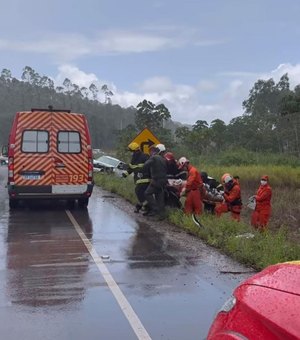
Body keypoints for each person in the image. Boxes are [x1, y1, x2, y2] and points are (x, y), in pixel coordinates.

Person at [142, 143, 168, 220]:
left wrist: (144, 170)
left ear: (157, 150)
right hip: (163, 181)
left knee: (147, 193)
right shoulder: (163, 159)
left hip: (156, 180)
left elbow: (146, 165)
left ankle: (155, 209)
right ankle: (161, 214)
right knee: (159, 196)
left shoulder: (154, 157)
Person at [123, 142, 150, 213]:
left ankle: (148, 207)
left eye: (131, 151)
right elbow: (131, 168)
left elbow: (150, 166)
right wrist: (125, 174)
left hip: (144, 179)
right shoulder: (135, 158)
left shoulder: (144, 156)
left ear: (135, 150)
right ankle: (140, 207)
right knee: (141, 194)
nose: (131, 153)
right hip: (139, 179)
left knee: (138, 192)